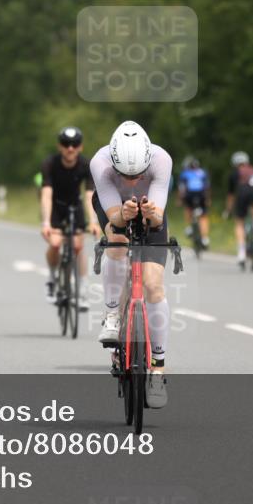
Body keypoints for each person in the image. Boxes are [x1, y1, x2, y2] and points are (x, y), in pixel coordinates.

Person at [89, 120, 173, 409]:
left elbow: (158, 219)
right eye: (125, 175)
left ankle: (158, 369)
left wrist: (151, 214)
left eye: (138, 175)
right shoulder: (100, 164)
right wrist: (123, 214)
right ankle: (113, 314)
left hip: (151, 211)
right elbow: (114, 215)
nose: (132, 181)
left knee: (153, 286)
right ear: (114, 164)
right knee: (117, 242)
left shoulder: (162, 160)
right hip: (113, 208)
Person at [40, 126, 101, 302]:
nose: (70, 148)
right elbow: (46, 194)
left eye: (75, 144)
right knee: (56, 242)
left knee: (77, 245)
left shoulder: (86, 165)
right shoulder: (50, 163)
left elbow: (90, 194)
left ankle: (82, 286)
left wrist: (94, 221)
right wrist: (46, 223)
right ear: (60, 146)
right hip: (56, 207)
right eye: (66, 144)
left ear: (80, 147)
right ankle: (52, 279)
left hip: (75, 205)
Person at [225, 151, 253, 266]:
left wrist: (228, 210)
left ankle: (241, 253)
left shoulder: (234, 173)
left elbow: (231, 195)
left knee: (239, 223)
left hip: (242, 194)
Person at [177, 156, 210, 248]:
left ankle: (189, 227)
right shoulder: (203, 172)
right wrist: (207, 199)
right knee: (203, 217)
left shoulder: (184, 174)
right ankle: (205, 239)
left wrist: (180, 200)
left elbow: (182, 189)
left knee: (188, 208)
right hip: (201, 195)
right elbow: (207, 187)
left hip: (189, 195)